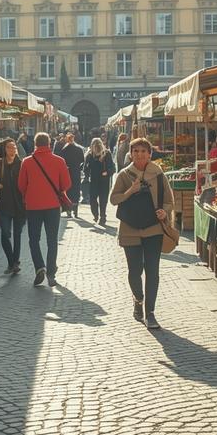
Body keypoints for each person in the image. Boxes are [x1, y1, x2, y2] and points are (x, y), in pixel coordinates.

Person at [109, 137, 176, 329]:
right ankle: (138, 299)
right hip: (130, 229)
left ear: (150, 154)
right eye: (136, 151)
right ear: (131, 153)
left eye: (143, 151)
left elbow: (169, 200)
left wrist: (165, 210)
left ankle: (151, 313)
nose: (140, 155)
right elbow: (114, 200)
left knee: (153, 271)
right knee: (134, 271)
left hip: (153, 228)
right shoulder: (124, 175)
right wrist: (131, 190)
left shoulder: (158, 174)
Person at [16, 132, 71, 287]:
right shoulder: (59, 161)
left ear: (35, 144)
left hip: (33, 206)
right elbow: (66, 184)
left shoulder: (26, 162)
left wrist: (30, 194)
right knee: (52, 240)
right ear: (49, 143)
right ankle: (51, 272)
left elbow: (21, 185)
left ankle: (40, 266)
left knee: (34, 239)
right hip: (53, 206)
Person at [0, 138, 25, 274]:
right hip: (4, 205)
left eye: (14, 147)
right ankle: (11, 261)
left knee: (17, 235)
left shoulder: (21, 164)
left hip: (20, 205)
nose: (13, 149)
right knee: (5, 233)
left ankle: (15, 262)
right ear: (5, 149)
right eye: (10, 147)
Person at [82, 137, 115, 225]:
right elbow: (85, 168)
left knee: (103, 199)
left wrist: (107, 172)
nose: (96, 146)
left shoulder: (106, 154)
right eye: (95, 144)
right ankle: (96, 214)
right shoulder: (89, 155)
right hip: (94, 180)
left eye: (98, 144)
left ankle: (102, 216)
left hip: (103, 180)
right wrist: (87, 171)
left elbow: (112, 168)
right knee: (93, 199)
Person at [58, 133, 86, 218]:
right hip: (76, 172)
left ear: (67, 139)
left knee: (68, 190)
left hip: (67, 171)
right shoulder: (79, 149)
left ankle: (69, 210)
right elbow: (82, 160)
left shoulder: (64, 150)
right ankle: (75, 210)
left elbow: (62, 161)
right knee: (76, 190)